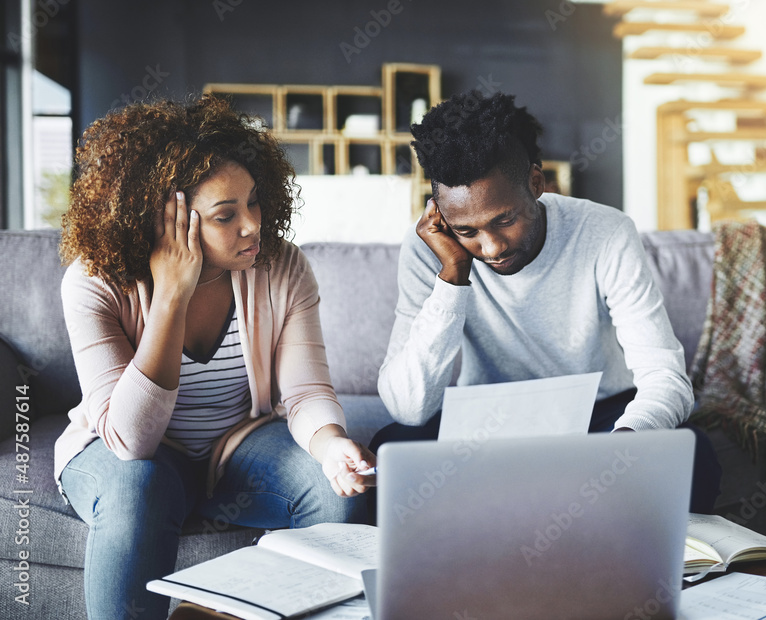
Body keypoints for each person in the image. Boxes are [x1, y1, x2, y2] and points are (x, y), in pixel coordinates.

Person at [56, 95, 376, 620]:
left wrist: (331, 443)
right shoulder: (92, 283)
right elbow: (132, 440)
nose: (252, 225)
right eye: (227, 215)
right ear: (163, 222)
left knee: (333, 487)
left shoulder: (282, 267)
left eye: (253, 202)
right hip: (123, 452)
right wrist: (171, 295)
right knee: (141, 484)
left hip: (238, 445)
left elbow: (306, 393)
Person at [373, 90, 721, 515]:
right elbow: (409, 408)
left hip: (598, 413)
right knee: (390, 450)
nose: (492, 247)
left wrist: (622, 449)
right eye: (468, 230)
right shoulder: (429, 248)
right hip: (491, 420)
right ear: (441, 214)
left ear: (537, 183)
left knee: (694, 456)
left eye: (505, 219)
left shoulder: (606, 232)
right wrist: (452, 276)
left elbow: (666, 378)